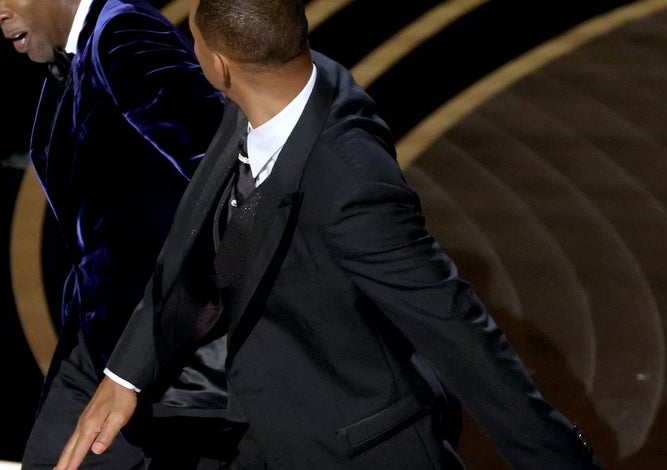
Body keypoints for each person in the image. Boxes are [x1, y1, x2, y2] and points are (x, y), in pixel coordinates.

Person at [57, 0, 606, 468]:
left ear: (220, 66)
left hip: (355, 449)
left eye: (193, 42)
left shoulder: (351, 186)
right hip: (264, 427)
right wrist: (126, 376)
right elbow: (218, 251)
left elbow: (457, 328)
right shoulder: (278, 87)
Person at [0, 0, 229, 468]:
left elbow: (221, 169)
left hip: (163, 353)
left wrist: (151, 347)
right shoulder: (75, 53)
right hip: (97, 345)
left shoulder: (124, 33)